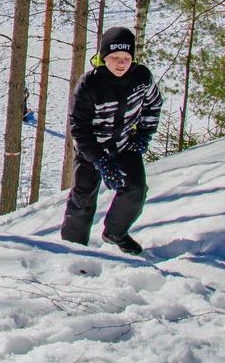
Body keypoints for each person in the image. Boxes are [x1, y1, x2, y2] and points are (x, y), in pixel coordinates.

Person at [60, 26, 162, 256]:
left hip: (125, 144)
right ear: (103, 56)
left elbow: (154, 104)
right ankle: (72, 249)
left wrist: (143, 135)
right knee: (83, 198)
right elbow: (79, 127)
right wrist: (101, 162)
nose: (120, 63)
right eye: (115, 57)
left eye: (126, 58)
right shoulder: (89, 84)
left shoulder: (142, 77)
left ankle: (115, 232)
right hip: (92, 149)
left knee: (136, 189)